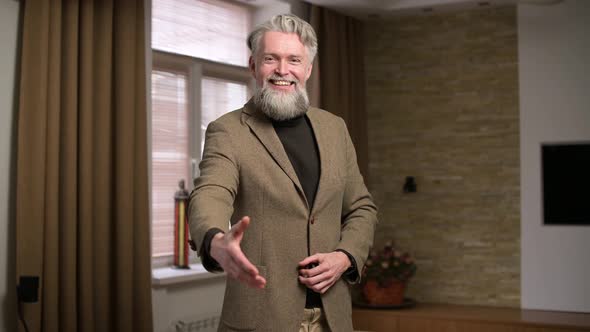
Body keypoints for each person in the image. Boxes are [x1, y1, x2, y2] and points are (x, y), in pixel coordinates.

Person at [188, 13, 378, 332]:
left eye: (293, 59)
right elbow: (210, 193)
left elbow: (362, 208)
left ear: (308, 69)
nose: (282, 70)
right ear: (253, 66)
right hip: (261, 319)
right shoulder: (228, 130)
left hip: (334, 319)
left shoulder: (335, 129)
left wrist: (346, 256)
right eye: (270, 59)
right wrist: (215, 240)